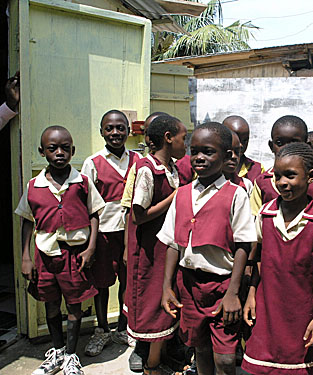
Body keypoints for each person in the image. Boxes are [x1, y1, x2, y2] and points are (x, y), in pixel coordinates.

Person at [159, 122, 256, 375]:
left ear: (226, 156)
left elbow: (244, 246)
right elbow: (172, 242)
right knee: (199, 348)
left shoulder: (236, 194)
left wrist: (233, 293)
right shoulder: (182, 194)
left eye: (209, 152)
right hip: (189, 284)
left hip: (223, 286)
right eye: (195, 150)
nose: (200, 157)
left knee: (224, 359)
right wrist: (167, 286)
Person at [241, 142, 313, 375]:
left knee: (300, 365)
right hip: (268, 306)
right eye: (278, 176)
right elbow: (257, 260)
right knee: (264, 364)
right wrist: (252, 295)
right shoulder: (265, 214)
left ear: (311, 176)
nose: (283, 183)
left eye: (291, 175)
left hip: (302, 310)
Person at [16, 126, 105, 375]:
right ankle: (56, 351)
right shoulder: (34, 185)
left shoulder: (82, 183)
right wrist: (25, 257)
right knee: (51, 303)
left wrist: (91, 246)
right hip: (45, 256)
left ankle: (71, 355)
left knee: (74, 305)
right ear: (42, 152)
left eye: (65, 148)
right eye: (52, 148)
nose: (59, 153)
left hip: (75, 255)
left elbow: (94, 214)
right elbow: (26, 220)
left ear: (72, 150)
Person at [126, 115, 187, 375]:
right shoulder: (146, 169)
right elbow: (137, 215)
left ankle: (160, 357)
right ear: (168, 138)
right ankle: (152, 365)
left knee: (166, 300)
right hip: (150, 250)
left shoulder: (172, 168)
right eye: (184, 138)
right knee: (152, 305)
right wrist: (176, 196)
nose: (186, 144)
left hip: (166, 249)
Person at [81, 110, 140, 356]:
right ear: (102, 131)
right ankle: (102, 329)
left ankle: (124, 328)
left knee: (128, 282)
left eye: (120, 128)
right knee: (102, 283)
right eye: (109, 128)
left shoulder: (138, 159)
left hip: (131, 233)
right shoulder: (92, 162)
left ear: (127, 130)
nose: (115, 133)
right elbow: (87, 203)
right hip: (104, 233)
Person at [249, 115, 309, 216]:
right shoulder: (262, 182)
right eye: (280, 143)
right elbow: (254, 218)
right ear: (271, 146)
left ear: (307, 146)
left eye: (294, 143)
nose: (287, 149)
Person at [222, 115, 264, 182]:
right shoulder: (210, 167)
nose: (240, 145)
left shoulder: (257, 169)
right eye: (236, 139)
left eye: (244, 140)